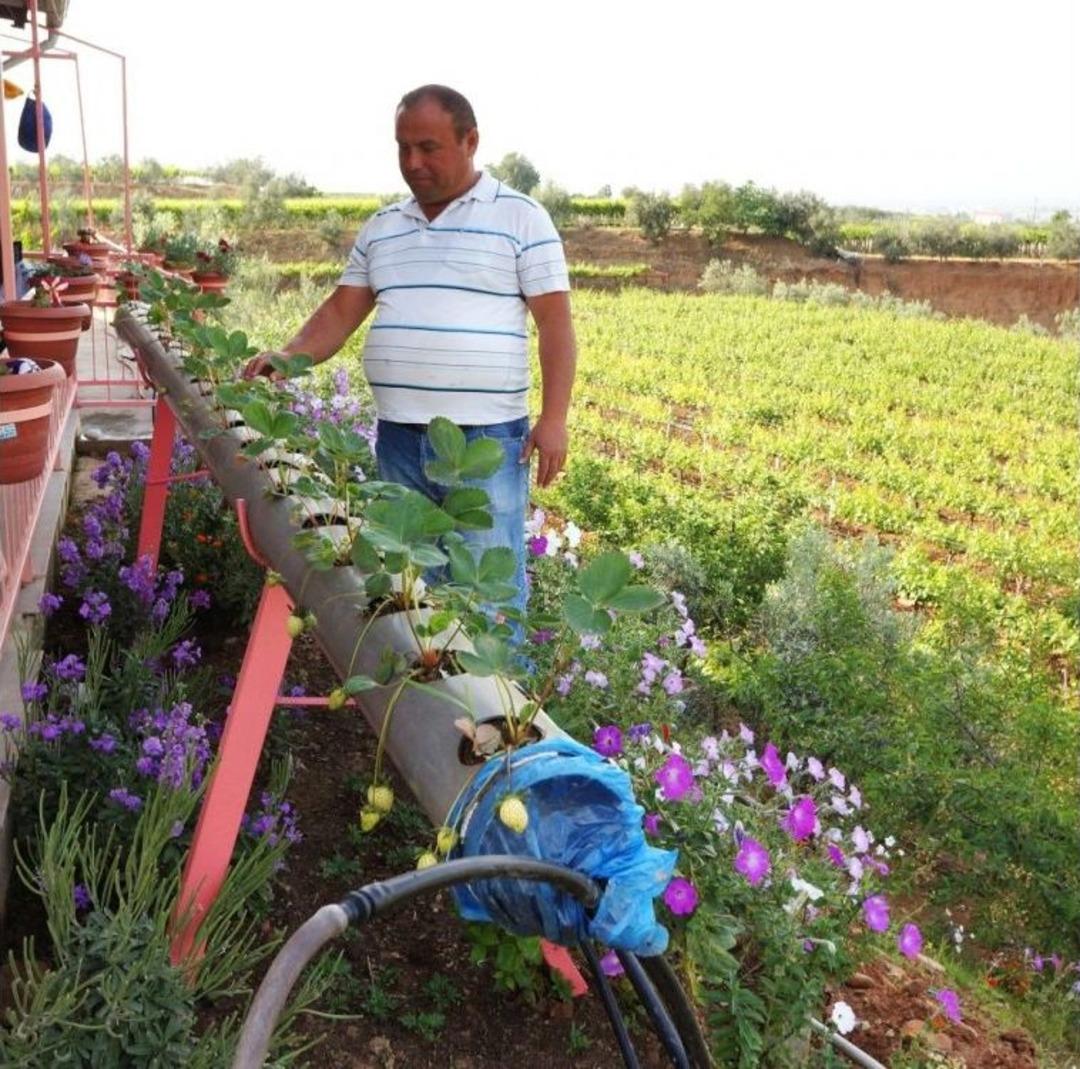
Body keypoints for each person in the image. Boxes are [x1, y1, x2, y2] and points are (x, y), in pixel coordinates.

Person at [243, 84, 576, 623]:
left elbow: (555, 324)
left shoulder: (522, 219)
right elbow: (340, 312)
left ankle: (496, 702)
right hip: (399, 439)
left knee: (484, 595)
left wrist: (554, 417)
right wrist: (286, 357)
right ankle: (430, 704)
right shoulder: (384, 227)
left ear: (470, 140)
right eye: (403, 148)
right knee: (408, 589)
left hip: (485, 444)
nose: (413, 162)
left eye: (428, 146)